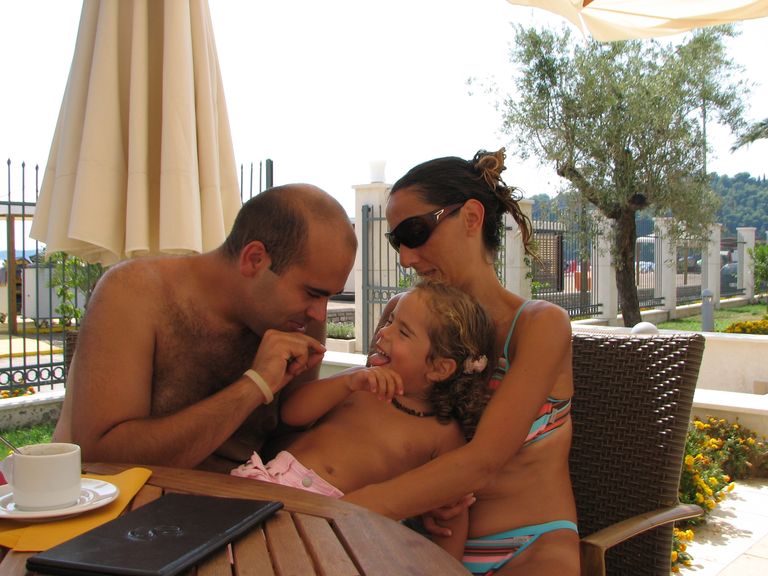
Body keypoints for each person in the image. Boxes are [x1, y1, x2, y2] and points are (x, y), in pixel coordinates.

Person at [342, 149, 580, 576]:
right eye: (397, 241)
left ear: (471, 217)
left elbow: (482, 461)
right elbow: (373, 427)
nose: (405, 257)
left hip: (529, 547)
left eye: (415, 232)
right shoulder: (401, 313)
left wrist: (337, 510)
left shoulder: (539, 325)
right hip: (415, 540)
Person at [52, 184, 357, 472]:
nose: (320, 314)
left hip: (247, 500)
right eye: (312, 293)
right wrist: (254, 385)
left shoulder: (302, 321)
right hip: (135, 503)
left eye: (330, 296)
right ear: (254, 259)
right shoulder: (135, 294)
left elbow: (284, 438)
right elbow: (103, 458)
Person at [231, 280, 495, 559]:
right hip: (267, 484)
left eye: (403, 332)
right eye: (391, 321)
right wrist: (348, 383)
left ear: (440, 368)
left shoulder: (443, 434)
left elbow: (452, 519)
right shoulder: (360, 383)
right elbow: (292, 413)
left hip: (331, 526)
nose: (384, 332)